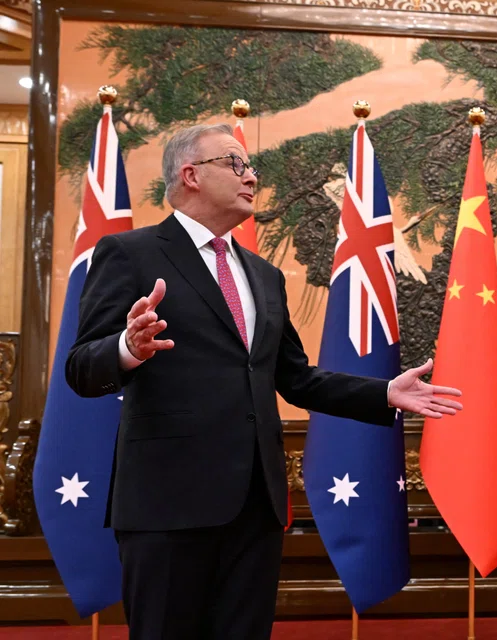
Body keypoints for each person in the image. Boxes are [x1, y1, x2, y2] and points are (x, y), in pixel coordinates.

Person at [65, 123, 463, 640]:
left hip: (256, 505)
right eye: (235, 164)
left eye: (250, 166)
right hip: (168, 504)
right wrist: (126, 348)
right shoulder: (130, 253)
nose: (251, 176)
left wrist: (383, 392)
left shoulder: (262, 274)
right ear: (190, 175)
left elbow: (295, 378)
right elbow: (80, 367)